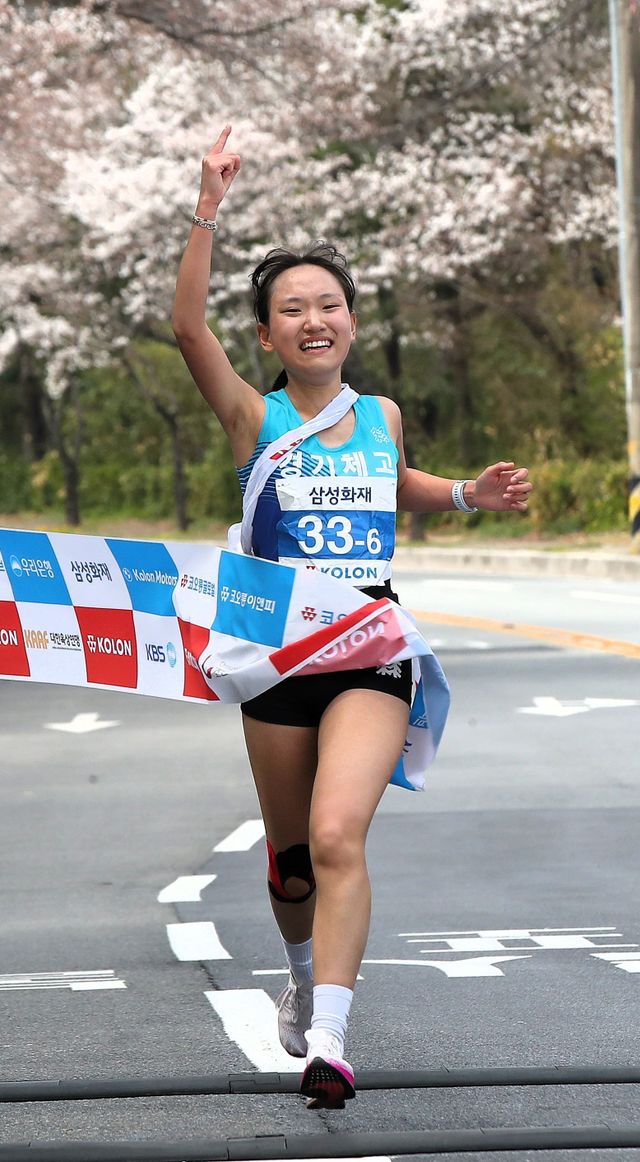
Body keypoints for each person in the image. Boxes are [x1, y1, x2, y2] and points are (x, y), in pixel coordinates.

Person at [172, 126, 532, 1110]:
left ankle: (329, 1036)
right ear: (269, 334)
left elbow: (385, 486)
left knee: (338, 834)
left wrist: (464, 494)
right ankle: (298, 976)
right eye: (292, 308)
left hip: (370, 641)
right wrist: (208, 204)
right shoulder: (256, 418)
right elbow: (186, 331)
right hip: (273, 646)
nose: (313, 319)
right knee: (290, 860)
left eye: (328, 303)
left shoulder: (380, 414)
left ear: (350, 319)